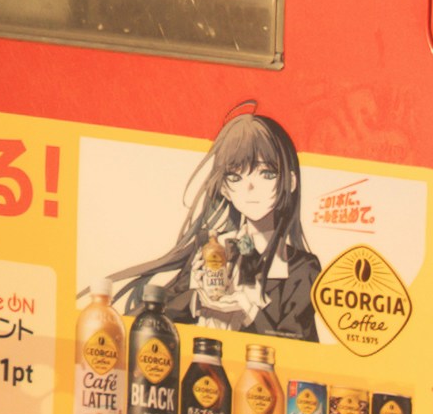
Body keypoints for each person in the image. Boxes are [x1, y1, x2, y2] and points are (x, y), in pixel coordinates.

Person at [104, 111, 320, 341]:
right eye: (235, 177)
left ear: (291, 182)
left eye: (266, 173)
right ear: (224, 189)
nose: (250, 187)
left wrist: (249, 312)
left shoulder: (302, 269)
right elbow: (135, 324)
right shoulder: (212, 251)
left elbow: (299, 351)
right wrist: (194, 300)